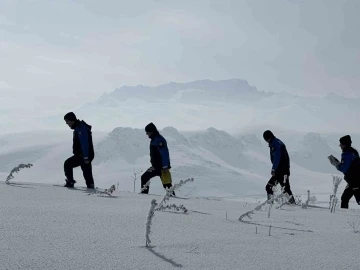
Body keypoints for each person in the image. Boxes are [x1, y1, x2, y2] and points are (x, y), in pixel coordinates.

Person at [140, 122, 175, 196]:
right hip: (158, 166)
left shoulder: (159, 140)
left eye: (147, 132)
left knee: (145, 177)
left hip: (161, 167)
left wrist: (165, 166)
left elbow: (164, 153)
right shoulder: (155, 139)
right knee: (167, 185)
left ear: (151, 131)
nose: (146, 134)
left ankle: (143, 196)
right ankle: (172, 197)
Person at [63, 112, 95, 188]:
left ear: (71, 120)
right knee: (86, 171)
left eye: (67, 121)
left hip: (84, 155)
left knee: (68, 164)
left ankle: (70, 182)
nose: (67, 123)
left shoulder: (81, 128)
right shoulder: (79, 128)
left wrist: (86, 157)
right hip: (82, 155)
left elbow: (84, 143)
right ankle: (90, 186)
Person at [263, 130, 295, 204]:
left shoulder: (275, 144)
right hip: (283, 170)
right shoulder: (278, 142)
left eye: (266, 139)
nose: (266, 141)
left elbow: (277, 157)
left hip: (280, 171)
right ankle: (292, 204)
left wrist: (274, 169)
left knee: (281, 189)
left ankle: (270, 205)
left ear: (268, 138)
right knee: (285, 190)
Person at [331, 135, 360, 208]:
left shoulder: (347, 153)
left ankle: (343, 215)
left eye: (340, 143)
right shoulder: (353, 151)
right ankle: (343, 215)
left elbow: (344, 168)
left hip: (354, 181)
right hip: (354, 180)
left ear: (344, 144)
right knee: (345, 198)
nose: (339, 145)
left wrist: (336, 164)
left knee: (349, 199)